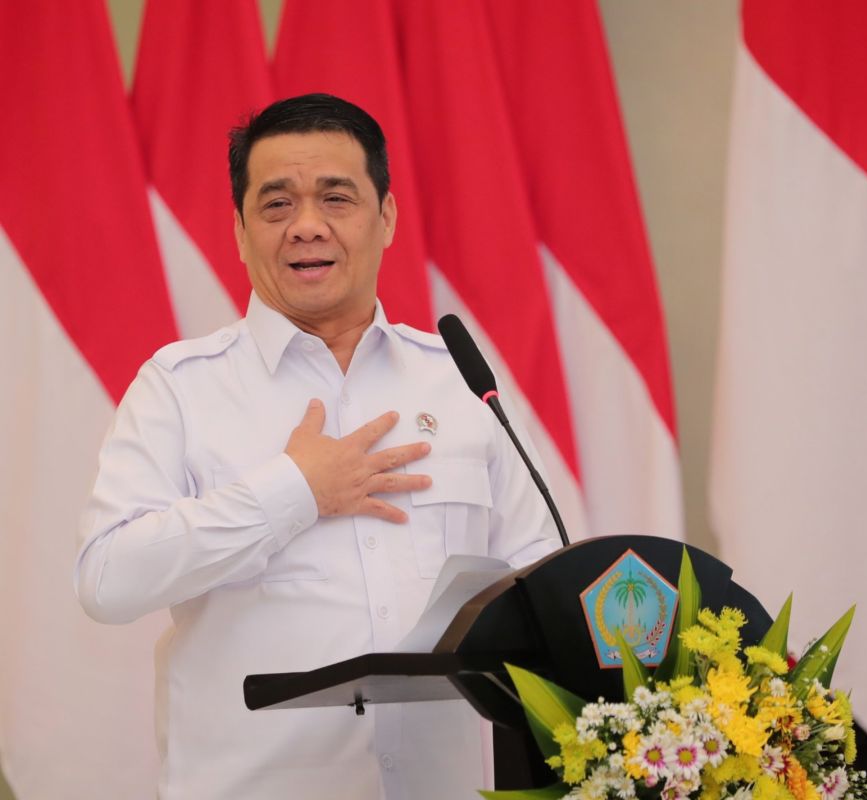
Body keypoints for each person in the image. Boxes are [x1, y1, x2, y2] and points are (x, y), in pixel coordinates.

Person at [74, 93, 561, 799]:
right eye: (276, 204)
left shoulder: (459, 380)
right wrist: (295, 491)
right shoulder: (180, 387)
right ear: (240, 231)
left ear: (385, 218)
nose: (307, 226)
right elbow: (107, 579)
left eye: (337, 198)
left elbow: (541, 579)